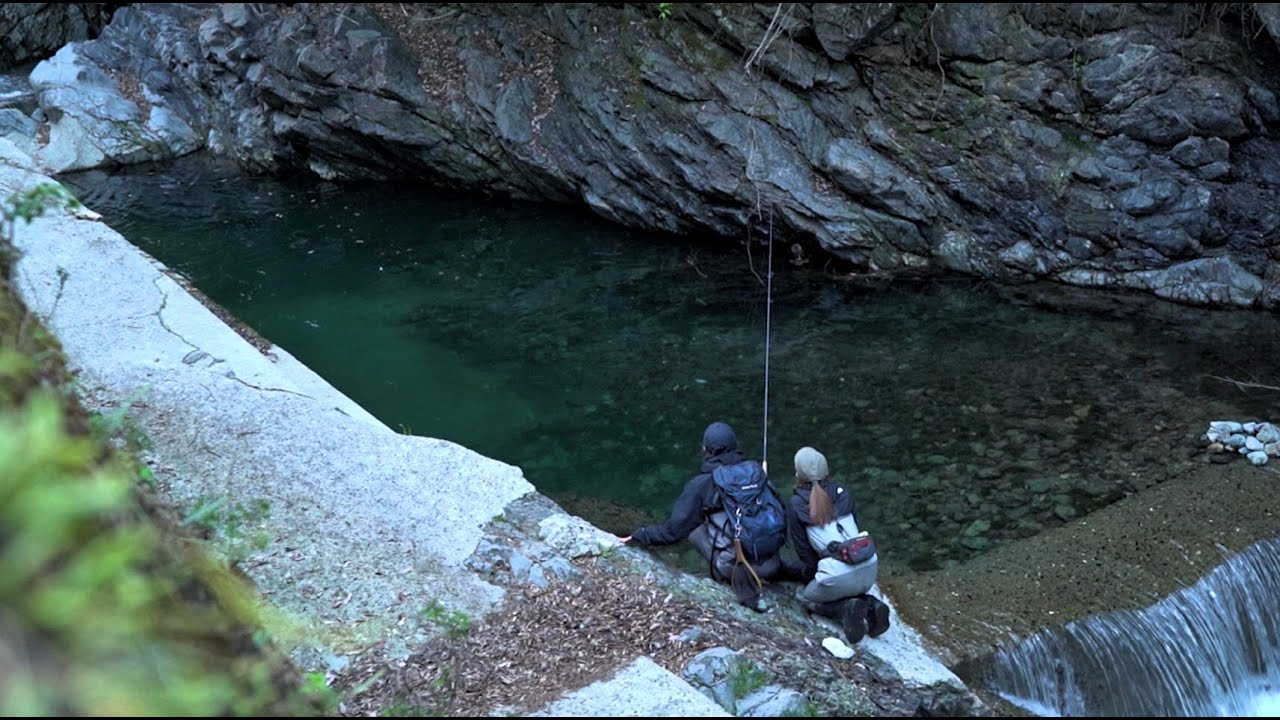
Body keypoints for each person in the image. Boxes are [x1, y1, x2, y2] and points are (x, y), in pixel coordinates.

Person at [618, 421, 787, 611]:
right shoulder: (757, 474)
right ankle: (783, 569)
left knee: (694, 528)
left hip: (737, 569)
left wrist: (640, 535)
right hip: (772, 563)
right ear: (735, 446)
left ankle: (726, 574)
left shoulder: (702, 484)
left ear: (705, 450)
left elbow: (673, 532)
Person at [786, 446, 892, 644]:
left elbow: (805, 553)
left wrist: (812, 576)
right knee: (849, 581)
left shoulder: (795, 504)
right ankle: (871, 605)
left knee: (806, 598)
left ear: (798, 474)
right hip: (869, 565)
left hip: (837, 574)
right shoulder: (843, 492)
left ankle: (844, 610)